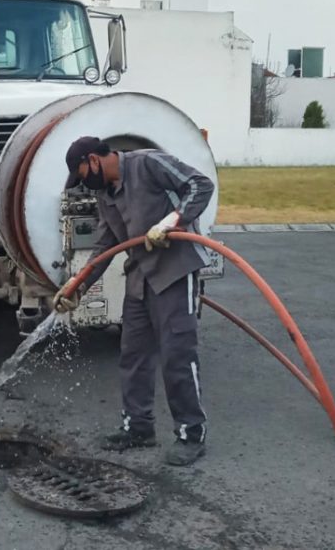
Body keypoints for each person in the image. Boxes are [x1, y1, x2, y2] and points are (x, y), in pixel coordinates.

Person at [55, 136, 215, 466]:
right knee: (133, 355)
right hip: (140, 276)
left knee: (177, 354)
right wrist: (76, 286)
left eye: (82, 173)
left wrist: (172, 221)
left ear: (94, 160)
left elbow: (200, 184)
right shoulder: (104, 194)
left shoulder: (148, 163)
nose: (84, 183)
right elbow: (104, 246)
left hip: (174, 270)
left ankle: (190, 433)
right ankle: (138, 428)